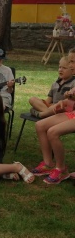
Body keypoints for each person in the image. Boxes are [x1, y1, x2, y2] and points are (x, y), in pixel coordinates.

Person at [31, 48, 75, 184]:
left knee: (52, 132)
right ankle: (48, 163)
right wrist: (65, 101)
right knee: (40, 125)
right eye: (70, 61)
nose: (71, 65)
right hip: (72, 113)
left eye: (73, 62)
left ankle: (61, 168)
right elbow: (71, 102)